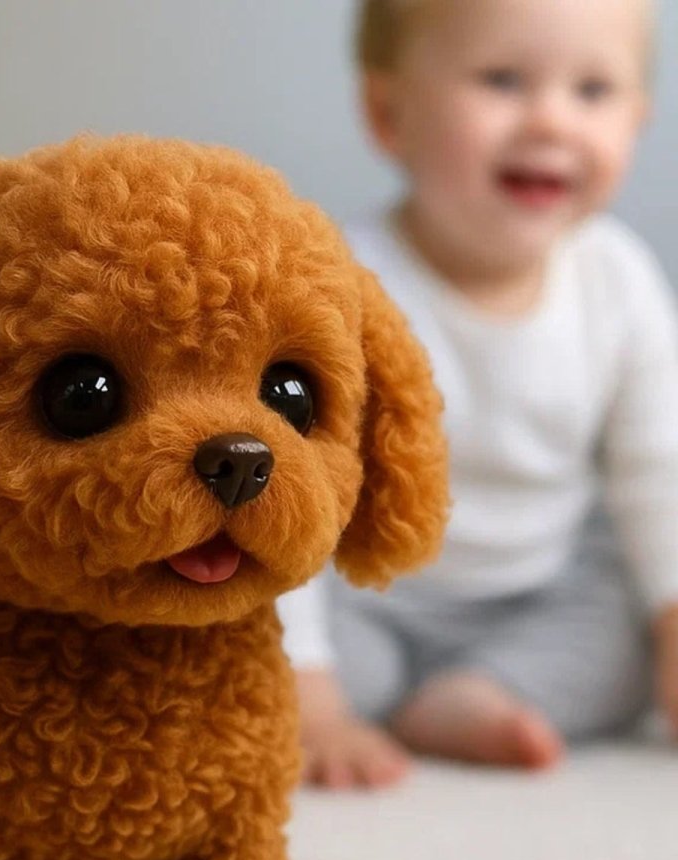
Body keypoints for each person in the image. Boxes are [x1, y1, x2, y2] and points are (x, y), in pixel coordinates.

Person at [280, 0, 678, 788]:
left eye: (593, 92)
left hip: (539, 591)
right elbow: (295, 484)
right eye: (503, 80)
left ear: (638, 118)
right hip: (366, 595)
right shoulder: (341, 283)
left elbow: (658, 471)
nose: (551, 122)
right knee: (250, 628)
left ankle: (470, 697)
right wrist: (311, 694)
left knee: (623, 633)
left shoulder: (619, 281)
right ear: (390, 114)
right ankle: (349, 697)